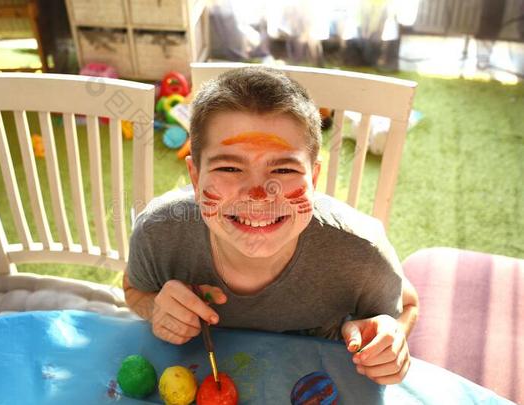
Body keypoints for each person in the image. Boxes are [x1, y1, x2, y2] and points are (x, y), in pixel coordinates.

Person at [123, 66, 419, 385]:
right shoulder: (159, 233)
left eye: (283, 170)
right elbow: (133, 288)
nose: (259, 196)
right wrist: (155, 309)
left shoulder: (361, 252)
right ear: (195, 178)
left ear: (313, 179)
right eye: (230, 167)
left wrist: (390, 338)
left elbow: (408, 304)